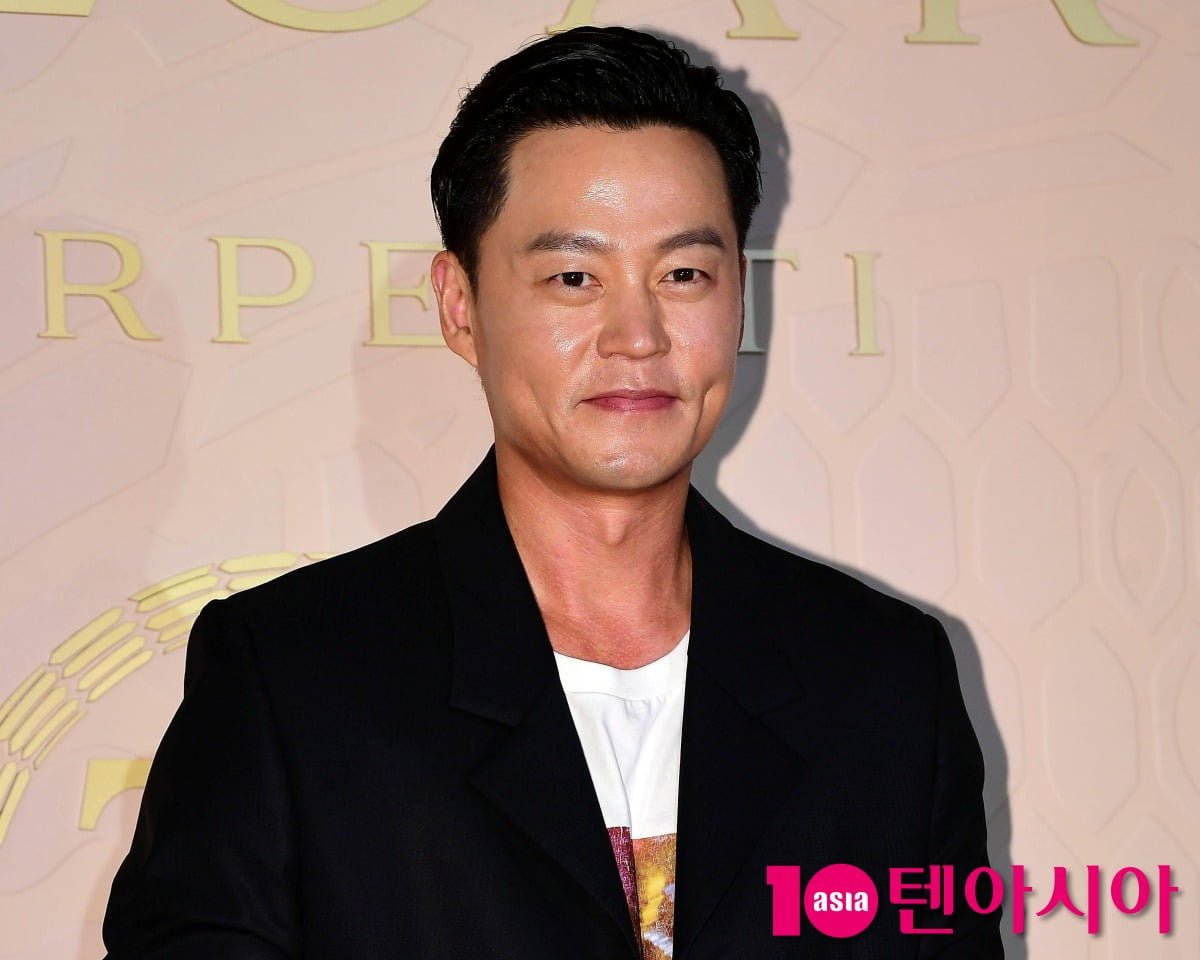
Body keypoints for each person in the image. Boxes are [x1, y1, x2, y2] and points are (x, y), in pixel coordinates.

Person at [101, 25, 1002, 960]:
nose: (638, 334)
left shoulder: (886, 684)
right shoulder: (293, 682)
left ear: (740, 293)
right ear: (461, 306)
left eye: (684, 274)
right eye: (574, 277)